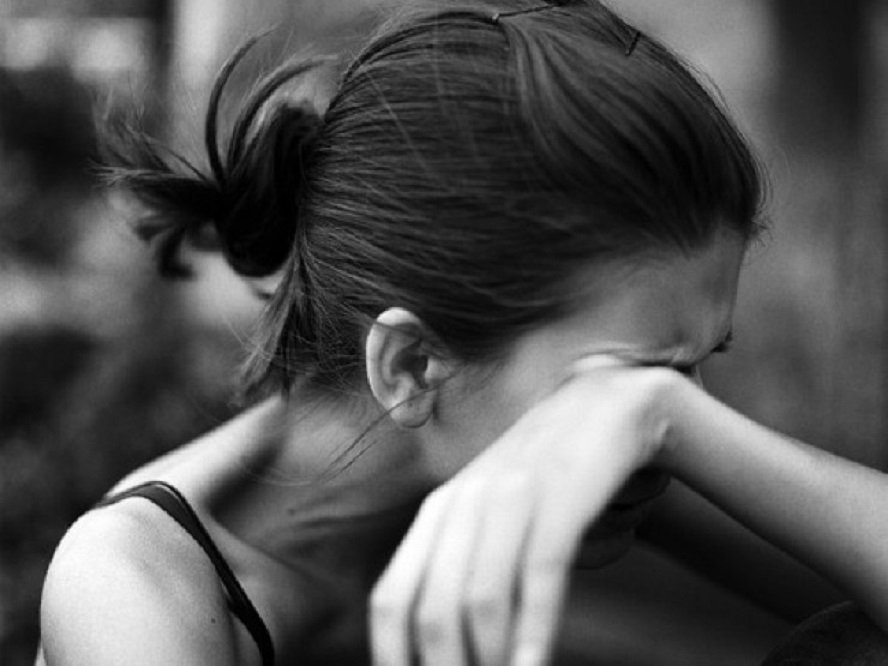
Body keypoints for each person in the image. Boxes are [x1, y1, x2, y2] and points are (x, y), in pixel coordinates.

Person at [33, 1, 888, 664]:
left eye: (696, 370)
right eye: (631, 382)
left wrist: (659, 413)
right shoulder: (132, 586)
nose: (665, 415)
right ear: (411, 365)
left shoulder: (620, 446)